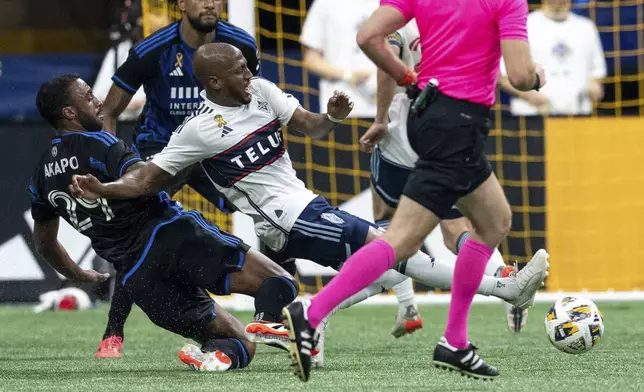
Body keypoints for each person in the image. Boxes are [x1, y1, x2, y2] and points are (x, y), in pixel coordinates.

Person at [69, 43, 549, 370]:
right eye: (239, 69)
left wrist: (333, 117)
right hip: (286, 219)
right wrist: (103, 189)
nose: (250, 72)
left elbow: (310, 127)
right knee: (395, 249)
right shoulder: (198, 129)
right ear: (213, 82)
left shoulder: (261, 92)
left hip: (304, 204)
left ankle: (294, 322)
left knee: (391, 270)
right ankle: (505, 290)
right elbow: (147, 179)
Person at [282, 0, 550, 382]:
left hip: (428, 119)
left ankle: (455, 342)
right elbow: (520, 76)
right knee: (402, 241)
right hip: (457, 124)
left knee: (494, 220)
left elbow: (368, 37)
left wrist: (408, 79)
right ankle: (311, 313)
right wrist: (539, 76)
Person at [31, 74, 298, 372]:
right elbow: (143, 180)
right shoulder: (98, 143)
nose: (98, 101)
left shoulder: (42, 174)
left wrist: (78, 273)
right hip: (174, 239)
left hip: (140, 279)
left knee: (239, 345)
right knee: (281, 282)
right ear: (69, 112)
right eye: (89, 96)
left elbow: (45, 242)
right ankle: (271, 325)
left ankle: (213, 357)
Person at [95, 0, 261, 358]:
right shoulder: (152, 50)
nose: (210, 3)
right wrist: (110, 164)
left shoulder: (241, 44)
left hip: (214, 149)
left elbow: (256, 100)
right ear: (181, 4)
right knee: (135, 231)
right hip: (161, 151)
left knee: (269, 214)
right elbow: (108, 111)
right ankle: (114, 331)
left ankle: (277, 318)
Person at [359, 19, 528, 333]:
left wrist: (381, 118)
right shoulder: (457, 14)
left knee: (387, 221)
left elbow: (387, 60)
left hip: (406, 130)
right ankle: (502, 274)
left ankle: (402, 305)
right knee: (456, 226)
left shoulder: (401, 13)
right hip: (455, 125)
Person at [299, 0, 423, 333]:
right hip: (340, 117)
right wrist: (345, 74)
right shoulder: (326, 5)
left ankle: (321, 308)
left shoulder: (390, 3)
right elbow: (310, 57)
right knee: (383, 222)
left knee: (391, 219)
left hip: (391, 115)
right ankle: (411, 303)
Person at [498, 0, 606, 116]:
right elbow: (503, 76)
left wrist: (594, 88)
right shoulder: (523, 26)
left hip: (578, 116)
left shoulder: (586, 27)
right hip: (533, 117)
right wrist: (530, 95)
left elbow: (597, 73)